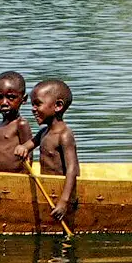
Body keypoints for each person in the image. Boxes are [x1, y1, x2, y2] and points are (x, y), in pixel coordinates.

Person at [28, 79, 80, 222]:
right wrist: (22, 149)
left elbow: (72, 169)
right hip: (48, 188)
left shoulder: (64, 135)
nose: (33, 109)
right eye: (32, 104)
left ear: (58, 106)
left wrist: (64, 201)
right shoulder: (44, 132)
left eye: (38, 104)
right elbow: (28, 145)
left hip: (60, 191)